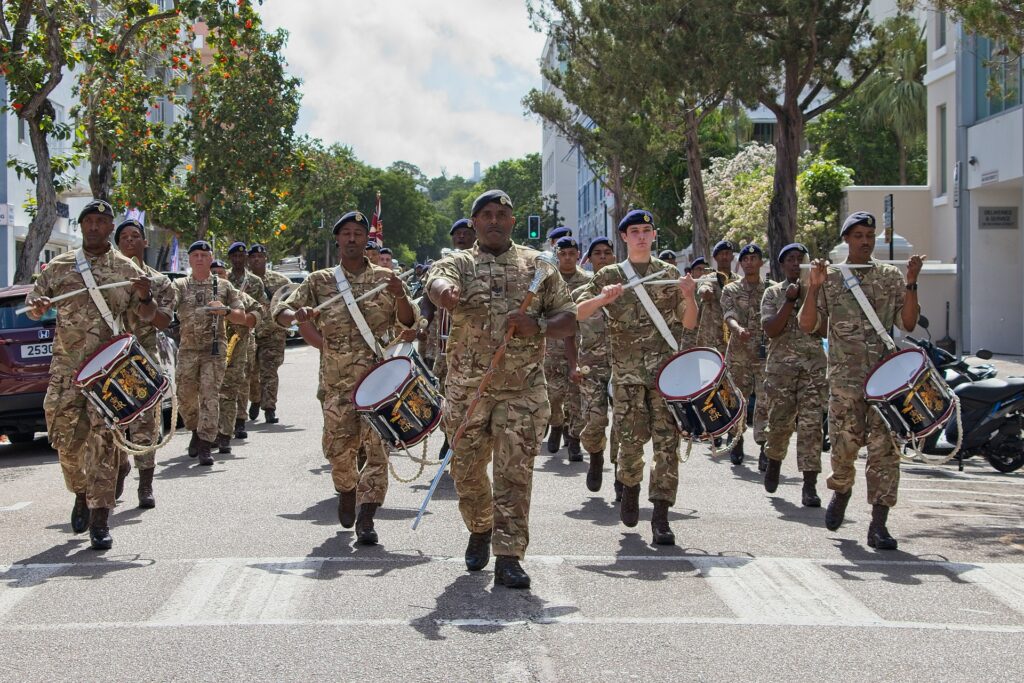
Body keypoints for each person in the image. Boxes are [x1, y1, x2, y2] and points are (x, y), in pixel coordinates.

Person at [427, 189, 576, 588]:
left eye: (502, 214)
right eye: (486, 214)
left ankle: (509, 555)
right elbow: (437, 282)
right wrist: (446, 294)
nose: (494, 220)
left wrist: (538, 326)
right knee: (466, 470)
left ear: (513, 220)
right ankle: (481, 525)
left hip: (522, 391)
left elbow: (569, 317)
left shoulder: (539, 266)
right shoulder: (458, 262)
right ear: (474, 223)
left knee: (515, 473)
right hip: (467, 391)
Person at [27, 199, 166, 549]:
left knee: (104, 443)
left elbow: (153, 318)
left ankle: (100, 518)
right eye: (88, 221)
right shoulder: (59, 267)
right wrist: (38, 307)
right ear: (81, 226)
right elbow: (33, 307)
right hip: (65, 371)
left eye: (101, 221)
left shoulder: (127, 271)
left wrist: (146, 296)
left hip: (108, 373)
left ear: (110, 229)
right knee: (64, 440)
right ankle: (81, 490)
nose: (93, 226)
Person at [275, 210, 416, 545]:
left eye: (358, 233)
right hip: (336, 385)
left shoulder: (385, 278)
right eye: (346, 233)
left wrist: (398, 293)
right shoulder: (319, 281)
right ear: (337, 240)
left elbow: (409, 321)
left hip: (379, 382)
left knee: (377, 450)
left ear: (367, 239)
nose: (352, 239)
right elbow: (280, 313)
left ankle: (367, 516)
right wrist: (297, 315)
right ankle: (346, 489)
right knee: (338, 450)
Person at [798, 211, 923, 550]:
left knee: (886, 452)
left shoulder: (889, 276)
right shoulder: (833, 278)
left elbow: (908, 323)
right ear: (846, 240)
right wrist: (814, 288)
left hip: (885, 384)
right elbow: (809, 324)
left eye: (870, 235)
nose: (866, 241)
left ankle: (878, 525)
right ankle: (841, 488)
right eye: (858, 236)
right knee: (842, 447)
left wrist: (911, 282)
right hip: (844, 381)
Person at [576, 209, 698, 546]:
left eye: (647, 230)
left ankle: (660, 515)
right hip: (628, 376)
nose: (642, 236)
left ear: (654, 236)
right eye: (635, 231)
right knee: (629, 444)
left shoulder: (669, 274)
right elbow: (578, 310)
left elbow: (688, 323)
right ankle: (629, 491)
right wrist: (604, 298)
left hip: (666, 378)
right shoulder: (611, 275)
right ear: (625, 238)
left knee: (667, 447)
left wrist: (688, 295)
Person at [112, 218, 174, 508]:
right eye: (123, 236)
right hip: (109, 361)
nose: (129, 241)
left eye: (135, 235)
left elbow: (163, 321)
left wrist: (145, 296)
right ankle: (119, 467)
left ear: (144, 242)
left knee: (144, 425)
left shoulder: (160, 282)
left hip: (142, 361)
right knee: (109, 424)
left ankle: (145, 483)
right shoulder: (106, 280)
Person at [760, 243, 827, 506]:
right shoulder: (772, 293)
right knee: (779, 424)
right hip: (781, 371)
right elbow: (771, 329)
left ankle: (809, 485)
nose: (796, 263)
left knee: (811, 427)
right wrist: (789, 300)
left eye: (801, 258)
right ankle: (774, 459)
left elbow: (824, 330)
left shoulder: (819, 292)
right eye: (790, 259)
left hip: (812, 370)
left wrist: (811, 291)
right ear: (782, 264)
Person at [170, 241, 248, 466]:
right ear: (190, 258)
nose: (200, 259)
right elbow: (168, 305)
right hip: (187, 349)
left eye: (204, 255)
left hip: (213, 351)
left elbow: (240, 315)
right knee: (186, 397)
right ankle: (194, 429)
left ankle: (205, 444)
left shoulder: (223, 286)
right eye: (195, 255)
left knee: (209, 396)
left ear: (211, 257)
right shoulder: (180, 285)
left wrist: (225, 311)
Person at [418, 218, 475, 459]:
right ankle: (448, 439)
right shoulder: (441, 267)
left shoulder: (483, 265)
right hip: (446, 348)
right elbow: (426, 302)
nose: (461, 237)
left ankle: (465, 445)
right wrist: (422, 323)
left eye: (466, 233)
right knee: (445, 397)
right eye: (457, 234)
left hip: (477, 349)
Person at [571, 237, 619, 495]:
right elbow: (569, 333)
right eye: (597, 253)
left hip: (623, 366)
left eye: (607, 253)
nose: (603, 257)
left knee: (624, 423)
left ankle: (622, 473)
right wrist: (572, 364)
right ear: (589, 260)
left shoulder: (628, 292)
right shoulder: (580, 295)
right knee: (595, 420)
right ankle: (596, 457)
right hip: (591, 368)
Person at [721, 244, 771, 468]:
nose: (750, 262)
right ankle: (737, 438)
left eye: (754, 258)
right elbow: (728, 314)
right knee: (736, 399)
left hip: (763, 355)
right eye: (746, 259)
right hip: (738, 353)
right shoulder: (730, 290)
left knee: (764, 400)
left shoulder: (770, 289)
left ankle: (764, 446)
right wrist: (737, 329)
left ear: (761, 262)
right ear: (740, 264)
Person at [545, 236, 592, 459]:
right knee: (553, 395)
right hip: (553, 348)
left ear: (578, 255)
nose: (567, 258)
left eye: (571, 253)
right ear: (557, 255)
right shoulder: (549, 280)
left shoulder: (588, 280)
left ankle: (574, 440)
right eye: (563, 254)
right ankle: (556, 424)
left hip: (581, 345)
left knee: (577, 398)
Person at [211, 260, 260, 454]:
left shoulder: (239, 296)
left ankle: (225, 434)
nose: (216, 276)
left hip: (237, 349)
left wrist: (240, 318)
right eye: (212, 272)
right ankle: (208, 433)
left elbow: (258, 312)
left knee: (230, 392)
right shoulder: (201, 295)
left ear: (226, 275)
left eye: (221, 273)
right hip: (210, 353)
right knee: (209, 395)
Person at [247, 244, 293, 424]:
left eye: (260, 256)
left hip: (273, 333)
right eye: (253, 257)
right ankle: (256, 398)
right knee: (250, 372)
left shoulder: (281, 281)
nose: (257, 259)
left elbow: (290, 302)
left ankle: (269, 408)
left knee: (270, 372)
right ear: (249, 260)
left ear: (266, 258)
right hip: (249, 333)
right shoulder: (243, 281)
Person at [227, 242, 269, 439]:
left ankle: (240, 420)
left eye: (240, 256)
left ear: (246, 259)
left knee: (245, 376)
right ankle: (227, 418)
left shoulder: (255, 282)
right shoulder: (223, 279)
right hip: (225, 335)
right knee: (225, 379)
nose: (237, 259)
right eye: (234, 256)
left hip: (247, 335)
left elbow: (262, 308)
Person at [696, 240, 737, 354]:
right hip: (711, 338)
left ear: (732, 257)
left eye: (728, 253)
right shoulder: (707, 278)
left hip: (733, 338)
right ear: (715, 257)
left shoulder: (738, 281)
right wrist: (706, 292)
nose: (725, 256)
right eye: (721, 253)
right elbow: (703, 287)